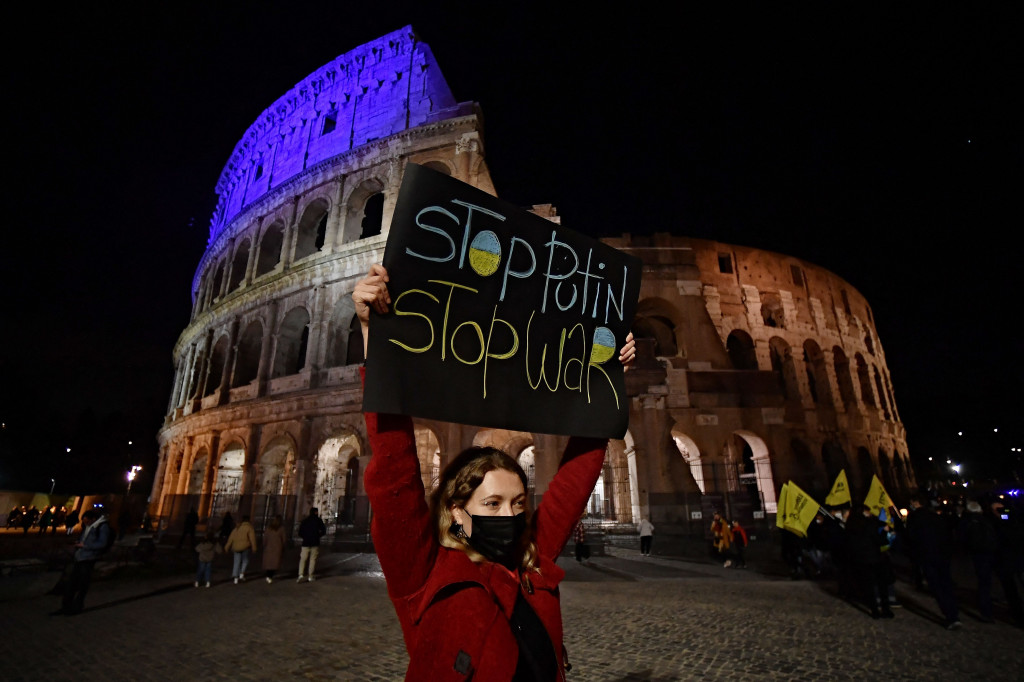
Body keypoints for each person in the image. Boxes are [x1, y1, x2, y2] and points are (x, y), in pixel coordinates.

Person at [354, 263, 636, 680]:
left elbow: (573, 483)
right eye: (492, 503)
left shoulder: (530, 560)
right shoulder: (422, 571)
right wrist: (374, 338)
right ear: (456, 511)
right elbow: (395, 469)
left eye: (518, 503)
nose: (510, 516)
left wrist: (606, 383)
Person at [906, 495, 957, 628]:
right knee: (946, 583)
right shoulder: (935, 516)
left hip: (926, 556)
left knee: (937, 586)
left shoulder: (914, 517)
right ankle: (954, 613)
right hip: (942, 555)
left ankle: (949, 615)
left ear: (916, 502)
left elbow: (911, 538)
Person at [52, 508, 111, 616]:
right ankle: (66, 606)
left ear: (93, 519)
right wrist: (79, 542)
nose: (85, 523)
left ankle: (76, 607)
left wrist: (85, 546)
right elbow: (85, 538)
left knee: (82, 585)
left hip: (89, 559)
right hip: (80, 557)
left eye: (87, 521)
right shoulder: (89, 526)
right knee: (71, 583)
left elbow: (102, 543)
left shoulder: (102, 527)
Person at [844, 504, 894, 619]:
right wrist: (885, 534)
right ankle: (885, 609)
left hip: (861, 560)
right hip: (876, 558)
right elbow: (879, 540)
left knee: (868, 586)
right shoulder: (869, 523)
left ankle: (874, 610)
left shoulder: (850, 525)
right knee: (882, 585)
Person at [988, 498, 1024, 627]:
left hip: (1015, 559)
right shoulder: (994, 524)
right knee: (1011, 589)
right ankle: (1018, 614)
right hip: (1005, 561)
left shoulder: (1011, 521)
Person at [223, 514, 257, 584]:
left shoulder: (237, 528)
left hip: (235, 547)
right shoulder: (249, 528)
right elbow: (252, 539)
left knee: (236, 562)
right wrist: (254, 547)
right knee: (245, 560)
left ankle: (235, 577)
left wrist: (226, 547)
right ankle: (241, 573)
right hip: (245, 547)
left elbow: (231, 538)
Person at [297, 507, 326, 582]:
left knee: (303, 559)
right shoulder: (318, 521)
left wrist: (305, 537)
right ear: (316, 512)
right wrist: (318, 536)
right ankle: (310, 576)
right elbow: (323, 531)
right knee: (312, 559)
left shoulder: (305, 521)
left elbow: (300, 532)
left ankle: (300, 574)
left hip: (306, 542)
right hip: (315, 542)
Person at [262, 515, 287, 583]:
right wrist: (283, 546)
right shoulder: (281, 529)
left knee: (269, 563)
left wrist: (264, 545)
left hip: (269, 548)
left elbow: (265, 538)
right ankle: (270, 576)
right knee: (274, 563)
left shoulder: (268, 528)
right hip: (277, 548)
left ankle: (268, 575)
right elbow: (284, 540)